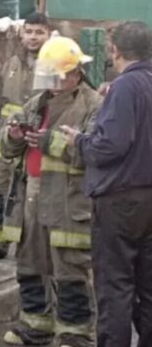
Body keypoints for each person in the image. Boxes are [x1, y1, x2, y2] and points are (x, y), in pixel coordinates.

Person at [0, 36, 101, 347]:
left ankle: (75, 334)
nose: (54, 83)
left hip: (70, 203)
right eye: (50, 76)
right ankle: (35, 326)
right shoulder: (37, 102)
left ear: (76, 73)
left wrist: (51, 142)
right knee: (29, 265)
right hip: (31, 197)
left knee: (70, 270)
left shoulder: (94, 105)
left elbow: (96, 152)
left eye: (59, 76)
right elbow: (6, 148)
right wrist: (14, 135)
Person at [61, 21, 152, 347]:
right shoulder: (139, 83)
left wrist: (79, 141)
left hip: (120, 202)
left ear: (115, 51)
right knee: (147, 287)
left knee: (115, 287)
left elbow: (109, 146)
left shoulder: (127, 87)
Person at [0, 12, 51, 262]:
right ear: (21, 33)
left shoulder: (55, 65)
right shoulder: (12, 63)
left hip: (34, 144)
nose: (33, 37)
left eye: (39, 32)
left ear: (49, 35)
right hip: (3, 141)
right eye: (29, 31)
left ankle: (31, 248)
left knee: (29, 195)